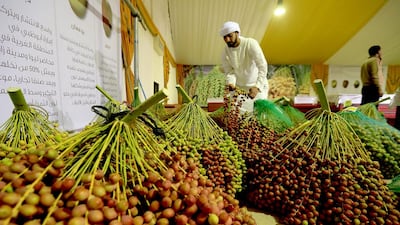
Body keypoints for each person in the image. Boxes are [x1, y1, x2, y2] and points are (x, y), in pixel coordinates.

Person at [220, 21, 269, 100]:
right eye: (224, 37)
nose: (227, 40)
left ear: (237, 33)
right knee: (240, 112)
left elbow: (262, 66)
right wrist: (231, 83)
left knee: (259, 111)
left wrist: (257, 87)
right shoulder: (225, 51)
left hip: (257, 87)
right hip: (240, 89)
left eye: (230, 36)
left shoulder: (250, 43)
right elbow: (229, 71)